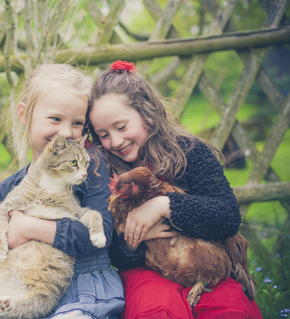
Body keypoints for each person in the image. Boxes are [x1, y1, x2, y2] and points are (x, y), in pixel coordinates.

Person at [86, 60, 262, 319]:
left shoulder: (188, 152)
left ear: (146, 112)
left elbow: (227, 216)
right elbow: (111, 249)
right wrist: (136, 241)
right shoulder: (105, 170)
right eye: (103, 134)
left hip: (207, 266)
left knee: (227, 309)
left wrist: (163, 206)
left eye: (121, 127)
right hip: (147, 270)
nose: (116, 141)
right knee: (154, 311)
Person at [0, 63, 125, 318]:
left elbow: (99, 235)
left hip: (83, 294)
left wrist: (29, 228)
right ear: (24, 115)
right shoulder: (10, 187)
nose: (66, 132)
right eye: (55, 119)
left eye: (77, 123)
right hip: (24, 293)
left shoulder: (91, 172)